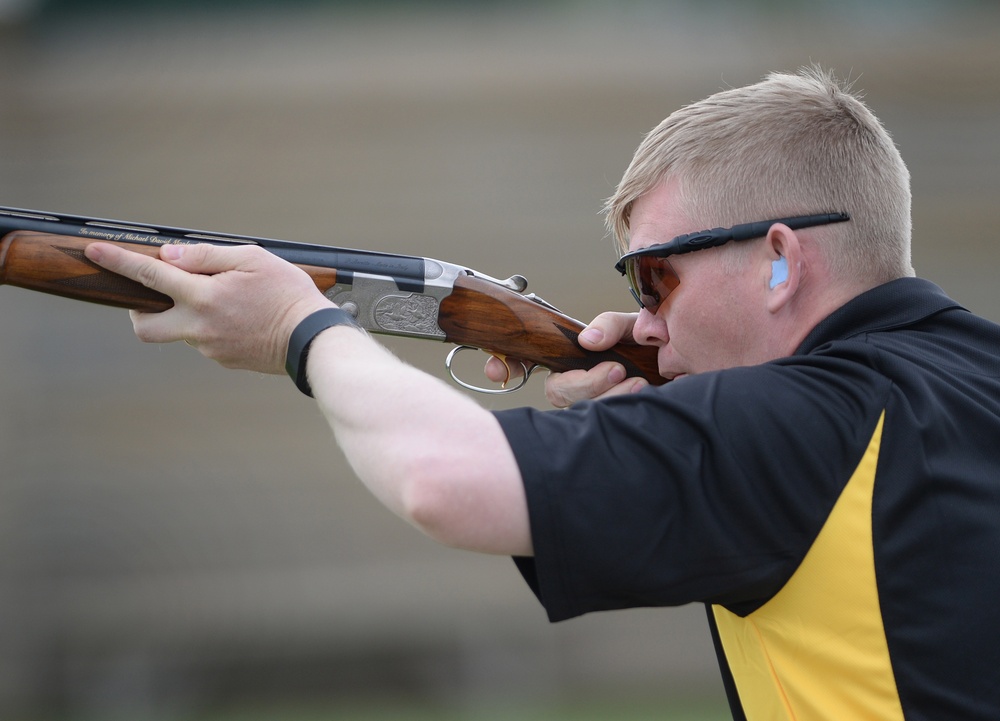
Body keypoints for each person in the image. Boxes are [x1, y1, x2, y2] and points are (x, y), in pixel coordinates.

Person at [82, 66, 1000, 720]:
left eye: (656, 280)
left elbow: (444, 480)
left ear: (778, 260)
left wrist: (300, 330)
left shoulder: (804, 421)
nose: (644, 322)